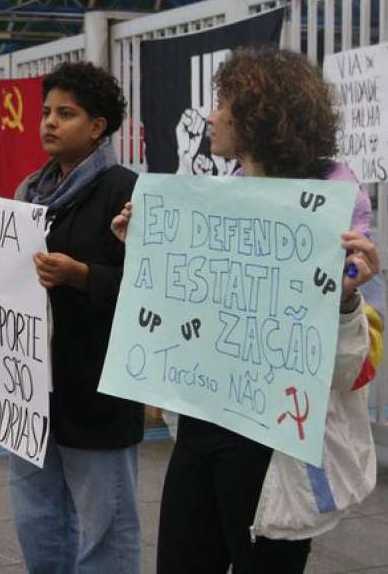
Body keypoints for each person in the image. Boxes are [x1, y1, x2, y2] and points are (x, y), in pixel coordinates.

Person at [111, 48, 382, 574]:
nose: (211, 115)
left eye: (223, 103)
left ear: (259, 116)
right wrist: (142, 247)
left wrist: (349, 299)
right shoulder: (213, 198)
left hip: (275, 439)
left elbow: (355, 366)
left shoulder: (336, 208)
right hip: (201, 423)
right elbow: (186, 311)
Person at [0, 61, 142, 573]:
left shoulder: (127, 192)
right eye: (46, 112)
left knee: (106, 527)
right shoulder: (29, 195)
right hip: (29, 390)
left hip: (96, 388)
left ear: (98, 126)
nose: (49, 123)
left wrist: (82, 276)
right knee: (37, 516)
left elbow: (151, 293)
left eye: (67, 114)